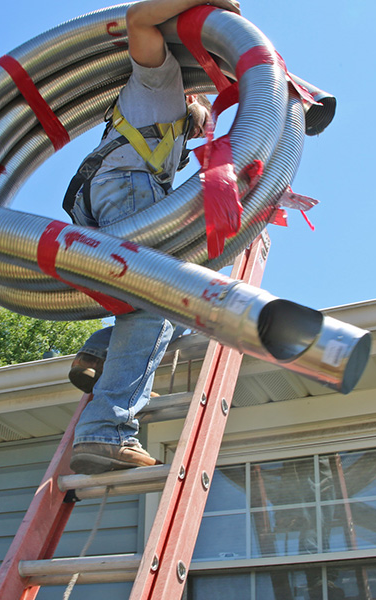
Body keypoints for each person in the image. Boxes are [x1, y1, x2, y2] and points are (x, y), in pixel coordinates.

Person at [66, 0, 241, 475]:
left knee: (186, 305)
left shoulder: (175, 120)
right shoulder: (160, 79)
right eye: (203, 98)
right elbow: (140, 19)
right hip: (124, 188)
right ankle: (107, 432)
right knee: (159, 298)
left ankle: (102, 350)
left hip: (108, 196)